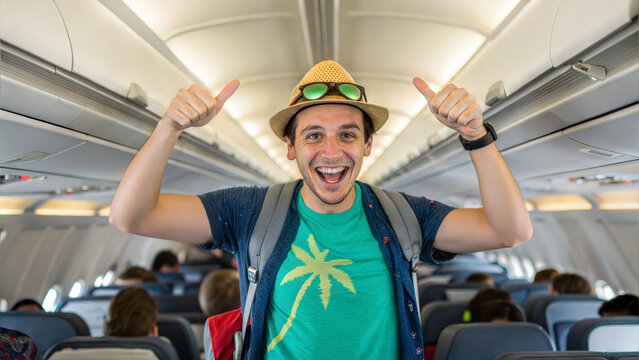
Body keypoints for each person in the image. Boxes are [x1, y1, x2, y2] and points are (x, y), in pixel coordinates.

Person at [109, 60, 533, 359]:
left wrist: (477, 136)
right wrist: (170, 127)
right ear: (291, 147)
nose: (332, 152)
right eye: (313, 136)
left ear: (367, 145)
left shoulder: (403, 215)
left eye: (347, 135)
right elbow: (131, 216)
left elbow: (509, 232)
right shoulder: (250, 211)